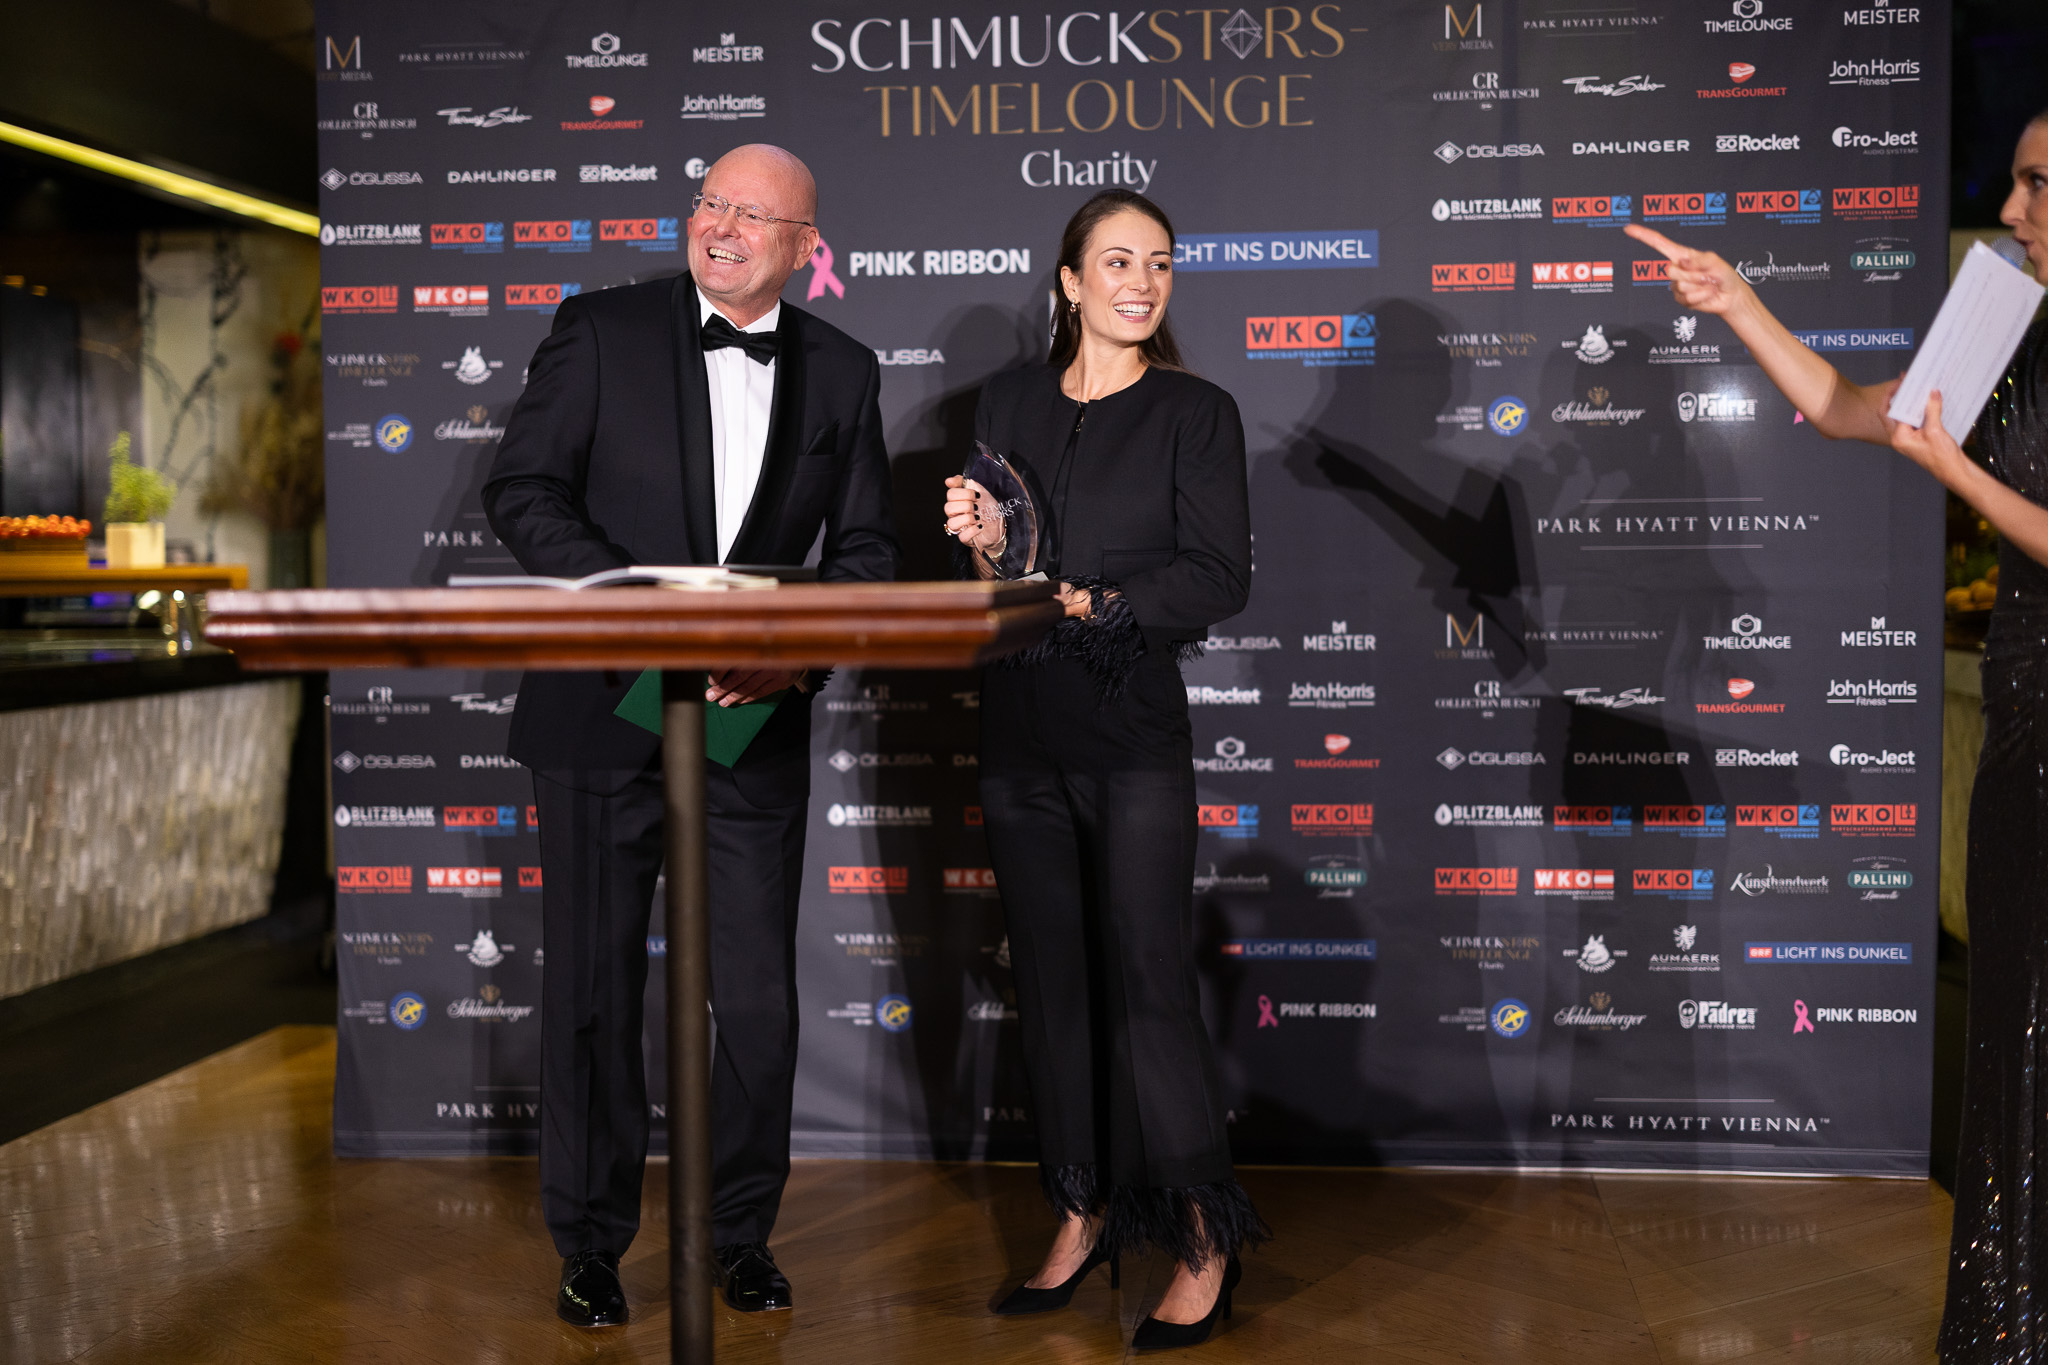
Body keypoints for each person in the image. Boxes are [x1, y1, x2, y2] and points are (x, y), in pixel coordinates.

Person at [1624, 112, 2048, 1363]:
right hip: (2025, 718)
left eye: (2034, 183)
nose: (2009, 209)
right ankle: (2013, 1321)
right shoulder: (2011, 322)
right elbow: (1854, 410)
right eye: (2014, 181)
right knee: (2018, 1015)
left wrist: (1952, 470)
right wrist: (1739, 304)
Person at [483, 144, 898, 1326]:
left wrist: (797, 654)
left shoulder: (843, 370)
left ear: (804, 247)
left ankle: (738, 1236)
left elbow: (865, 552)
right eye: (711, 202)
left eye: (753, 215)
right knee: (593, 994)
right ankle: (590, 1245)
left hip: (744, 715)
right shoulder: (599, 329)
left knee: (756, 1003)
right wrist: (633, 601)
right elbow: (522, 491)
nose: (721, 227)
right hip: (600, 704)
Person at [943, 188, 1267, 1352]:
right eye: (1117, 262)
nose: (1141, 282)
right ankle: (1078, 1213)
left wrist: (1097, 602)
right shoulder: (1006, 401)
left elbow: (1218, 578)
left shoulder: (1196, 411)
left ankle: (1202, 1238)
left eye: (1159, 263)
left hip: (1130, 731)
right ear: (1070, 282)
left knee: (1145, 982)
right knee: (1049, 982)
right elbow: (1000, 572)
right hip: (1017, 729)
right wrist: (985, 543)